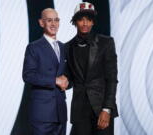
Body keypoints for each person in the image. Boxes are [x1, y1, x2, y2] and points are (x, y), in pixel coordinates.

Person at [65, 2, 118, 135]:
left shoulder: (106, 43)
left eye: (89, 19)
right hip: (79, 111)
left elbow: (111, 79)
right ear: (75, 21)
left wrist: (107, 109)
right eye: (81, 19)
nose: (85, 23)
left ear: (93, 22)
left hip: (101, 108)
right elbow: (71, 79)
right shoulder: (68, 47)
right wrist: (63, 80)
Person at [22, 8, 68, 135]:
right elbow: (28, 75)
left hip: (60, 112)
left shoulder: (64, 47)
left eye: (56, 20)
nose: (53, 24)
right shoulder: (34, 47)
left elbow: (66, 77)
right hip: (42, 113)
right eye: (49, 20)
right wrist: (54, 80)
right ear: (41, 23)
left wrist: (67, 81)